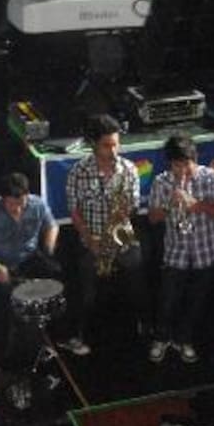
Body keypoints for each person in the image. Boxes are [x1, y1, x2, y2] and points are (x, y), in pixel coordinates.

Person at [64, 113, 151, 355]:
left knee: (138, 286)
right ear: (93, 144)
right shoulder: (78, 172)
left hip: (122, 237)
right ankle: (78, 335)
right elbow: (74, 210)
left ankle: (144, 326)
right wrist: (89, 239)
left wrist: (121, 214)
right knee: (86, 295)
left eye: (116, 145)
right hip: (91, 238)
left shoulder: (128, 169)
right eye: (106, 145)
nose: (113, 151)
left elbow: (131, 207)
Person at [147, 135, 214, 364]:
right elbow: (152, 218)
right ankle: (161, 338)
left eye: (186, 164)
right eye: (176, 165)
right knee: (167, 301)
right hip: (176, 253)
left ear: (196, 158)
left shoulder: (212, 177)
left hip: (206, 251)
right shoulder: (161, 182)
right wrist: (169, 205)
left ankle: (184, 339)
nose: (182, 170)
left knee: (196, 301)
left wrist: (197, 204)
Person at [0, 172, 60, 366]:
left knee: (53, 285)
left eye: (21, 203)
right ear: (3, 199)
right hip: (0, 263)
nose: (17, 209)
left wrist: (49, 248)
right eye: (12, 204)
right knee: (2, 308)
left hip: (30, 259)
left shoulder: (37, 204)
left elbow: (52, 225)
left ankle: (50, 341)